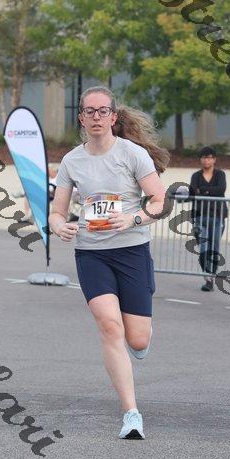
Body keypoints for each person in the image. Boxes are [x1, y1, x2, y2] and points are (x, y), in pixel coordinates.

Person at [49, 86, 169, 440]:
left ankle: (143, 333)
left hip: (132, 251)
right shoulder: (72, 161)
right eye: (89, 111)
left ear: (114, 117)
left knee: (137, 338)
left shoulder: (133, 154)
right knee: (109, 326)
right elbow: (57, 212)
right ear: (81, 118)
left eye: (103, 111)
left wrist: (133, 219)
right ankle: (131, 413)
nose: (96, 117)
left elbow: (160, 201)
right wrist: (59, 226)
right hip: (91, 253)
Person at [189, 146, 228, 292]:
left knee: (214, 248)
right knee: (204, 249)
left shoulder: (220, 174)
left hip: (217, 216)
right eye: (204, 157)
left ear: (214, 159)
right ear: (200, 159)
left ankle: (211, 277)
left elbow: (221, 189)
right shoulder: (196, 176)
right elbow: (193, 192)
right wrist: (207, 192)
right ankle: (207, 276)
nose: (206, 160)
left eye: (209, 157)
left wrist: (203, 190)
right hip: (200, 217)